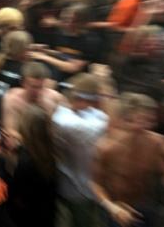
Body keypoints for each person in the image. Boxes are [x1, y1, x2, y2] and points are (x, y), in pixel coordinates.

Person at [91, 93, 164, 227]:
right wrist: (112, 207)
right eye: (138, 120)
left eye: (149, 120)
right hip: (118, 208)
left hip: (145, 205)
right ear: (123, 120)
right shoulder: (107, 148)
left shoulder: (157, 143)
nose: (145, 127)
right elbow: (95, 184)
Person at [52, 73, 109, 227]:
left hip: (91, 184)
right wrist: (105, 88)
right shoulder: (64, 120)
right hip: (76, 187)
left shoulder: (89, 113)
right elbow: (106, 123)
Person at [9, 105, 58, 227]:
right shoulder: (51, 149)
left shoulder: (25, 163)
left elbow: (16, 197)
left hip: (29, 218)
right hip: (48, 214)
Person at [1, 61, 65, 136]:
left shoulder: (55, 97)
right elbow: (10, 131)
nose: (38, 91)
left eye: (41, 87)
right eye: (34, 87)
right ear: (23, 83)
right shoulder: (12, 99)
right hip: (24, 142)